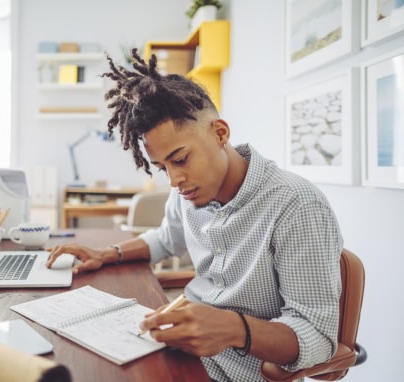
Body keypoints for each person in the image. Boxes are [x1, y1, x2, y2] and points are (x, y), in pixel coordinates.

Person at [46, 49, 343, 382]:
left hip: (239, 371)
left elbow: (319, 339)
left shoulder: (296, 205)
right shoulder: (187, 192)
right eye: (162, 168)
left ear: (220, 133)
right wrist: (108, 254)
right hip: (181, 353)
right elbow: (165, 239)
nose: (173, 181)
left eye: (181, 159)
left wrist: (235, 329)